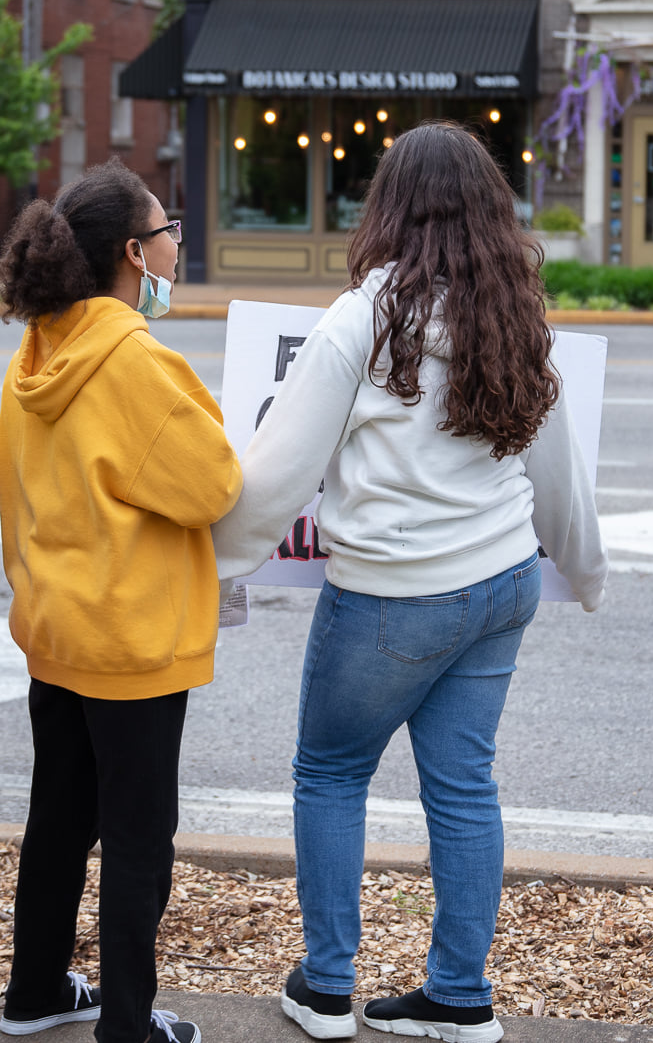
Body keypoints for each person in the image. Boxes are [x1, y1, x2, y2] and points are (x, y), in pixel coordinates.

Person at [212, 123, 607, 1043]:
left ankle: (325, 986)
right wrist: (583, 574)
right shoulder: (515, 315)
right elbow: (560, 475)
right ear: (489, 210)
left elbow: (280, 474)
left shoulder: (361, 317)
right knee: (465, 787)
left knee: (331, 770)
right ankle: (460, 993)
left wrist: (214, 556)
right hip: (503, 582)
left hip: (394, 592)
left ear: (388, 204)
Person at [0, 159, 242, 1043]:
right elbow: (211, 484)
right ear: (136, 252)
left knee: (59, 816)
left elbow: (2, 480)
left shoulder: (41, 346)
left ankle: (34, 992)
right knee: (139, 838)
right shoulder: (132, 356)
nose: (178, 240)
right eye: (169, 227)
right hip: (134, 640)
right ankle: (129, 1026)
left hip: (57, 628)